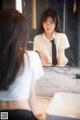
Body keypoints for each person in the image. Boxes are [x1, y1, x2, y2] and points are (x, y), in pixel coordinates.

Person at [0, 8, 44, 120]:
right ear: (22, 33)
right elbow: (31, 94)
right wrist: (34, 116)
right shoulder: (31, 57)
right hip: (22, 115)